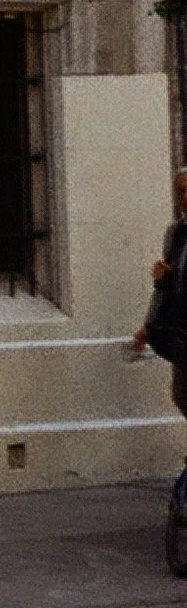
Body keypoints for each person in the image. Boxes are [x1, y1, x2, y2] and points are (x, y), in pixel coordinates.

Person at [131, 169, 187, 574]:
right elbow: (166, 290)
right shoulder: (176, 234)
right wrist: (149, 325)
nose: (185, 198)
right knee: (184, 401)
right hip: (183, 341)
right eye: (181, 192)